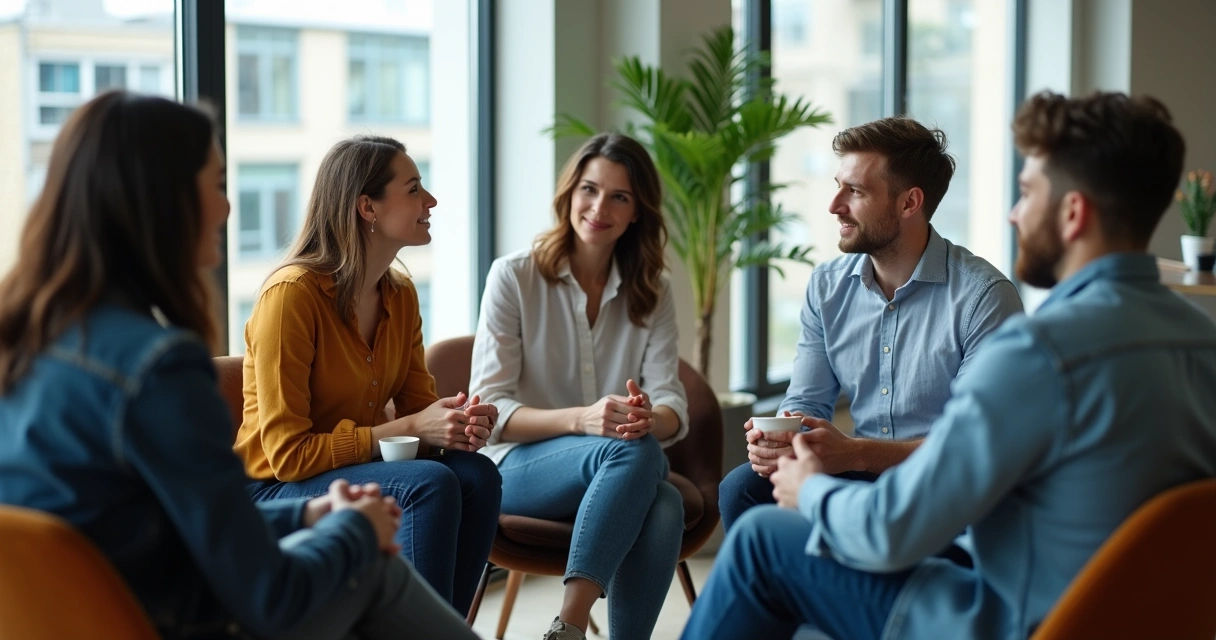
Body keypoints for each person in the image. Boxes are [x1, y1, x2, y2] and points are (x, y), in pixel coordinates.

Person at [682, 91, 1216, 640]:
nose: (1013, 213)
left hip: (1006, 618)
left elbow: (894, 530)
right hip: (1132, 620)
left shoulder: (1037, 352)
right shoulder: (1205, 341)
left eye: (1027, 193)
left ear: (1073, 213)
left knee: (761, 540)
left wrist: (814, 488)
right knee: (750, 495)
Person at [0, 91, 479, 640]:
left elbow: (158, 526)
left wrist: (308, 517)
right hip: (180, 619)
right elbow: (272, 595)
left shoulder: (28, 340)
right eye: (218, 185)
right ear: (161, 201)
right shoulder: (158, 368)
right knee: (375, 567)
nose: (227, 209)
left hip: (95, 613)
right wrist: (353, 531)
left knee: (449, 491)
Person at [233, 135, 501, 616]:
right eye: (415, 188)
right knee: (430, 484)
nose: (431, 200)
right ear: (367, 207)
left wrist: (455, 426)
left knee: (477, 475)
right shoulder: (291, 297)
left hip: (348, 471)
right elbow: (288, 456)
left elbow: (421, 413)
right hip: (274, 488)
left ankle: (444, 629)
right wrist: (409, 429)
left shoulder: (400, 294)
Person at [719, 116, 1023, 532]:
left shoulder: (984, 298)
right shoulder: (827, 287)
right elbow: (807, 402)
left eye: (855, 191)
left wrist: (856, 453)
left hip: (944, 488)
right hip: (857, 478)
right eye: (838, 185)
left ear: (909, 203)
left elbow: (976, 445)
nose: (834, 204)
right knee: (742, 488)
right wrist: (783, 436)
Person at [469, 133, 688, 640]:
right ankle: (570, 625)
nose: (599, 207)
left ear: (638, 212)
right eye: (589, 189)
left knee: (664, 500)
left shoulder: (652, 291)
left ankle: (578, 631)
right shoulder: (514, 277)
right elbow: (491, 410)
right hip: (519, 471)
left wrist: (648, 418)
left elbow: (671, 399)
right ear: (568, 194)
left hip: (618, 475)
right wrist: (582, 419)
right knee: (632, 454)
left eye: (619, 196)